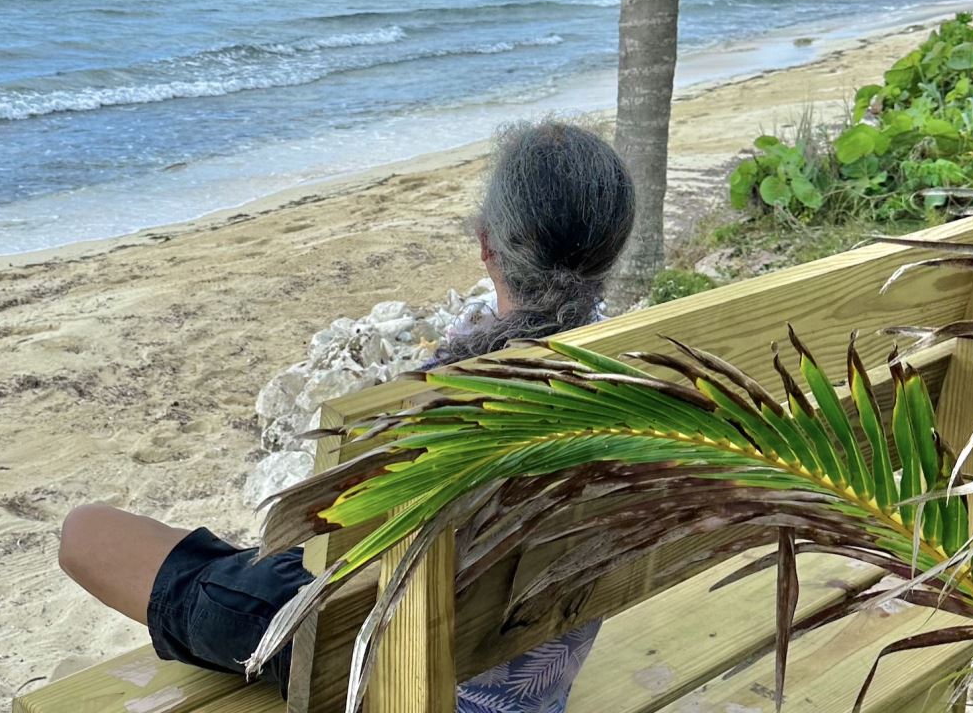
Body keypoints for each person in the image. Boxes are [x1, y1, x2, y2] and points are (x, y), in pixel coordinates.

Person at [59, 120, 636, 711]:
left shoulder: (448, 404)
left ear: (487, 243)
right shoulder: (641, 376)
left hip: (387, 662)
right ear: (614, 246)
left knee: (86, 531)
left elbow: (335, 554)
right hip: (529, 672)